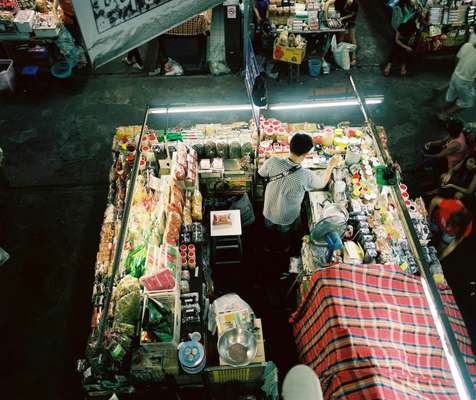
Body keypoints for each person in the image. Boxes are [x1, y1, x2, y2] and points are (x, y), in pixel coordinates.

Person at [258, 134, 341, 252]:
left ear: (290, 146)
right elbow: (322, 183)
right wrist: (330, 166)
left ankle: (267, 247)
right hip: (286, 217)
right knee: (284, 234)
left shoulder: (272, 161)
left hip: (268, 210)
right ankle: (284, 249)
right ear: (305, 154)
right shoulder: (305, 176)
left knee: (269, 230)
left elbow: (261, 173)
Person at [438, 33, 476, 121]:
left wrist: (457, 70)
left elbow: (457, 58)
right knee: (467, 102)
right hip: (465, 81)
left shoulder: (467, 45)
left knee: (451, 96)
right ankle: (445, 115)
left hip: (455, 74)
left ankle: (442, 110)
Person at [325, 0, 359, 65]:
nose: (350, 1)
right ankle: (337, 55)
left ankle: (354, 58)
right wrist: (327, 19)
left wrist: (342, 18)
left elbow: (352, 14)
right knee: (341, 37)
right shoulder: (341, 1)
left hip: (351, 20)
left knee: (352, 38)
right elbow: (327, 3)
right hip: (342, 20)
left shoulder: (355, 4)